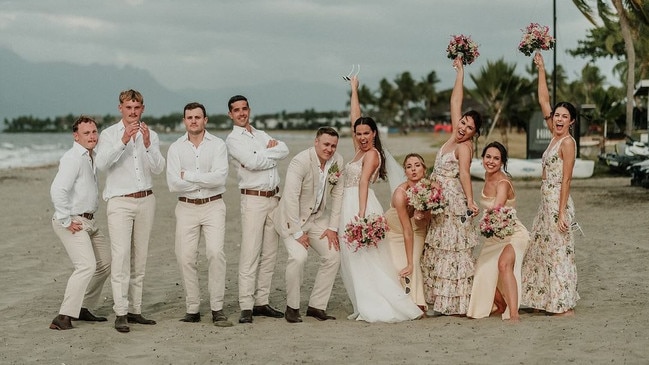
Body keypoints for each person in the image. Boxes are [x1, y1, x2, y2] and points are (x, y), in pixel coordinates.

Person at [338, 76, 422, 323]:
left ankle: (375, 304)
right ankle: (364, 303)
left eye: (366, 132)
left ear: (374, 134)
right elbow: (355, 116)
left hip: (360, 204)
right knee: (355, 257)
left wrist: (361, 214)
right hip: (349, 202)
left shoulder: (372, 154)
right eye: (359, 133)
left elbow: (363, 182)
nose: (362, 136)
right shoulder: (358, 150)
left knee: (366, 257)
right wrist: (354, 89)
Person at [95, 89, 165, 333]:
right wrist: (124, 139)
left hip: (146, 199)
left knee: (140, 257)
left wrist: (146, 145)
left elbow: (158, 169)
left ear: (142, 108)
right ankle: (121, 312)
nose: (133, 112)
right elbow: (101, 164)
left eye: (137, 108)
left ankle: (135, 310)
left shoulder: (151, 135)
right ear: (120, 108)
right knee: (121, 256)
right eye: (128, 108)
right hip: (119, 202)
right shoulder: (109, 134)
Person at [421, 57, 483, 316]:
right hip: (439, 199)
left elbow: (466, 174)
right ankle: (440, 300)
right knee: (439, 248)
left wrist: (470, 202)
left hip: (453, 201)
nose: (463, 127)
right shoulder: (452, 135)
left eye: (469, 128)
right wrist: (460, 73)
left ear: (473, 134)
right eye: (463, 123)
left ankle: (455, 304)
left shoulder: (464, 147)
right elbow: (455, 102)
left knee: (452, 251)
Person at [521, 52, 580, 316]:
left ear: (571, 122)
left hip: (558, 201)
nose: (558, 119)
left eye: (564, 116)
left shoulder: (567, 143)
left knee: (559, 253)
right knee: (542, 250)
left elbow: (566, 178)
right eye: (556, 115)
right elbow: (543, 99)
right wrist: (541, 68)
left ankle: (563, 303)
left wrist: (562, 212)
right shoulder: (554, 138)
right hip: (545, 203)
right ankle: (545, 300)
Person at [166, 102, 232, 327]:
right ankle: (192, 308)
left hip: (213, 206)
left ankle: (217, 308)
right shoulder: (175, 148)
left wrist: (189, 176)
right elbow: (173, 184)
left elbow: (220, 178)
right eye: (189, 117)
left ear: (206, 120)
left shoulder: (218, 145)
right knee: (185, 257)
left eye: (197, 117)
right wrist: (203, 178)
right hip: (186, 207)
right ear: (184, 121)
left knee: (215, 253)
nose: (193, 121)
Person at [225, 95, 289, 324]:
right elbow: (251, 163)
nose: (241, 113)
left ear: (249, 109)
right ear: (230, 114)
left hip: (274, 199)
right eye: (236, 110)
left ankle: (262, 301)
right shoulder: (233, 139)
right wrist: (265, 156)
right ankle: (246, 306)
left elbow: (284, 149)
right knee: (250, 253)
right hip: (253, 200)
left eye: (244, 109)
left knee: (270, 254)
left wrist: (261, 154)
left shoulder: (261, 135)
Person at [274, 127, 344, 323]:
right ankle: (292, 308)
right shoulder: (300, 161)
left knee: (333, 254)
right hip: (291, 218)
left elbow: (338, 195)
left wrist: (332, 227)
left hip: (316, 218)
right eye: (326, 144)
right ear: (316, 142)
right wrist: (297, 233)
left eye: (333, 146)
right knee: (298, 257)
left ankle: (316, 306)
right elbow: (290, 198)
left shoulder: (337, 161)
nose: (329, 149)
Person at [49, 116, 111, 330]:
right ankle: (64, 316)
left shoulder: (90, 157)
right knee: (86, 265)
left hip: (89, 221)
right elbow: (58, 190)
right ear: (76, 136)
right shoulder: (73, 158)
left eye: (94, 132)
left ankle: (83, 307)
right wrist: (66, 219)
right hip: (72, 220)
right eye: (87, 133)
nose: (92, 136)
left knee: (105, 263)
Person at [467, 142, 529, 321]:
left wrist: (485, 219)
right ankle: (501, 305)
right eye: (488, 157)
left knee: (504, 265)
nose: (491, 161)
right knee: (480, 273)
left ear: (502, 162)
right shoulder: (487, 176)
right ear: (483, 158)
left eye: (496, 158)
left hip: (513, 234)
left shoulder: (503, 183)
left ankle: (514, 315)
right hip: (494, 236)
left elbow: (497, 208)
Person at [384, 153, 431, 312]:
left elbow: (435, 213)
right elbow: (406, 231)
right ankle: (401, 303)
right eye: (409, 167)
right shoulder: (400, 194)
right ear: (405, 172)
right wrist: (408, 263)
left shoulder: (431, 189)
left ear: (424, 169)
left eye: (417, 165)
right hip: (397, 232)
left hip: (417, 231)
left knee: (414, 263)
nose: (413, 169)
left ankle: (418, 303)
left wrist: (425, 214)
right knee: (401, 265)